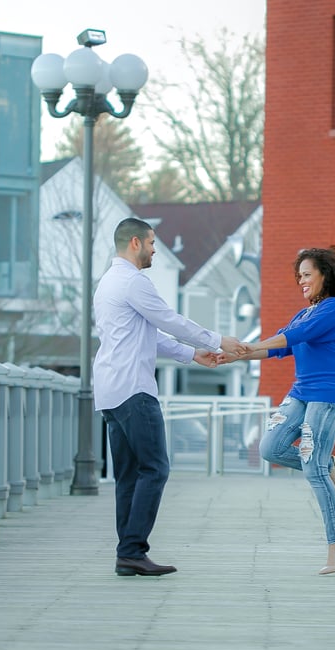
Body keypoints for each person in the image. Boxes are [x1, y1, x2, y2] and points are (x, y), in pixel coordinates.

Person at [94, 217, 247, 577]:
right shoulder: (133, 282)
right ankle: (132, 549)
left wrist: (192, 355)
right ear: (134, 243)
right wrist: (215, 340)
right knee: (156, 468)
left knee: (130, 475)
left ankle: (128, 553)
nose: (154, 250)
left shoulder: (107, 283)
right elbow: (168, 320)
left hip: (111, 392)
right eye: (150, 243)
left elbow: (150, 334)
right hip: (133, 389)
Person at [222, 247, 335, 574]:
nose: (301, 281)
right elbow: (282, 347)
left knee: (312, 469)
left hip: (328, 395)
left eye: (306, 274)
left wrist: (251, 344)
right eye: (298, 276)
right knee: (270, 447)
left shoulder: (334, 308)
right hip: (301, 393)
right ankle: (332, 465)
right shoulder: (305, 313)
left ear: (324, 275)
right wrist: (233, 356)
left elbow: (295, 336)